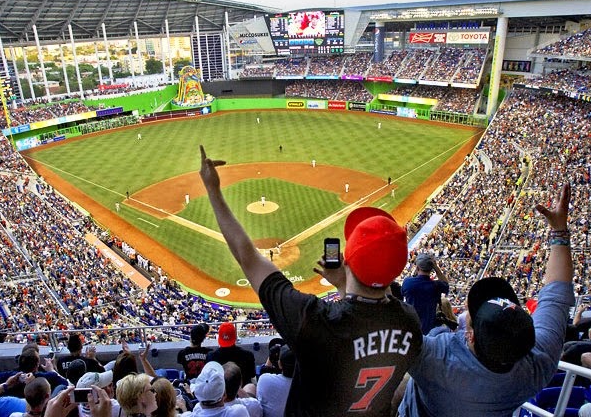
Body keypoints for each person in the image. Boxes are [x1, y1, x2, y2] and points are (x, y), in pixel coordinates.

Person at [199, 146, 422, 416]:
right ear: (396, 272)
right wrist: (343, 286)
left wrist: (213, 189)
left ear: (347, 261)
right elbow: (364, 326)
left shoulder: (316, 321)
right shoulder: (409, 324)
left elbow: (248, 258)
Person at [398, 183, 575, 417]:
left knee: (397, 390)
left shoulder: (437, 358)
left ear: (470, 336)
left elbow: (379, 325)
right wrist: (560, 231)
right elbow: (556, 295)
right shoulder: (536, 365)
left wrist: (560, 232)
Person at [402, 253, 450, 334]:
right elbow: (446, 284)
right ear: (431, 269)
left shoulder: (407, 282)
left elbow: (402, 294)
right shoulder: (436, 285)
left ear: (417, 268)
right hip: (429, 331)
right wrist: (436, 267)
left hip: (411, 329)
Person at [206, 323, 256, 387]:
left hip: (220, 395)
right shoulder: (248, 355)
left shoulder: (210, 356)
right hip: (243, 392)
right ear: (235, 337)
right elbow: (252, 375)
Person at [256, 346, 294, 417]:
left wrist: (270, 357)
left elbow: (264, 373)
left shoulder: (265, 379)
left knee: (250, 386)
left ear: (279, 364)